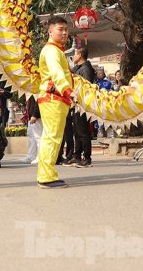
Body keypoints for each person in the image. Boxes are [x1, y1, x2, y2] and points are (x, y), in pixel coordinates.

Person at [35, 16, 76, 189]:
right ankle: (46, 176)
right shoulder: (52, 50)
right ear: (50, 31)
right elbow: (57, 73)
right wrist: (67, 90)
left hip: (56, 97)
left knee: (53, 136)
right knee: (52, 136)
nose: (65, 32)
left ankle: (47, 174)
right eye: (61, 29)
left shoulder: (56, 50)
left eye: (66, 29)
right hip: (53, 97)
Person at [70, 46, 97, 167]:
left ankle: (87, 158)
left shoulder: (86, 69)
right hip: (76, 104)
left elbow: (86, 86)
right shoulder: (78, 68)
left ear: (80, 55)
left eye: (75, 54)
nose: (74, 57)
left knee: (83, 132)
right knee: (77, 131)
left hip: (83, 104)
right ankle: (76, 156)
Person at [23, 96, 42, 164]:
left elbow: (38, 103)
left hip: (37, 116)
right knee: (32, 136)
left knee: (38, 137)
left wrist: (35, 115)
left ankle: (40, 157)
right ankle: (32, 155)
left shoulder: (36, 89)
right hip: (32, 115)